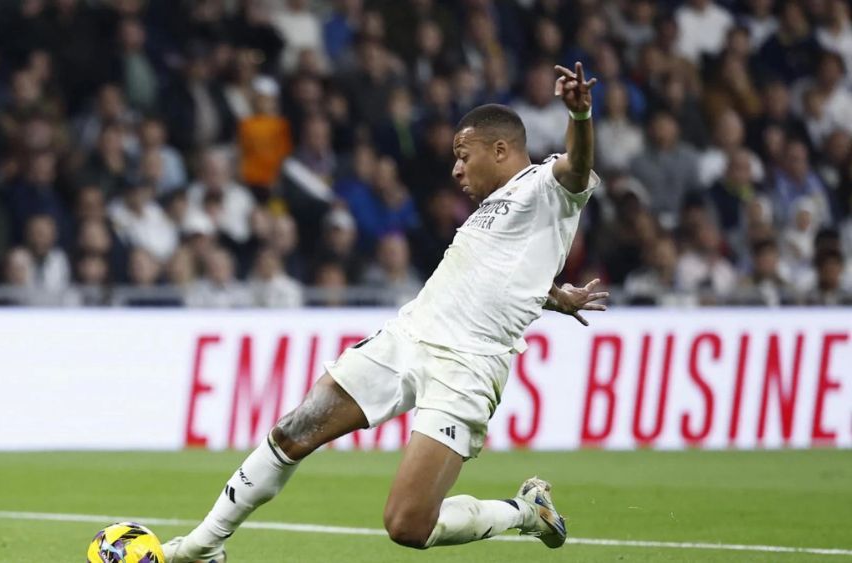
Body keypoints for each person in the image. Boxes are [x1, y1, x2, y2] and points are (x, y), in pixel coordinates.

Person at [161, 62, 608, 562]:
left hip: (467, 366)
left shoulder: (546, 185)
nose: (456, 168)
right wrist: (553, 294)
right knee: (295, 429)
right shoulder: (491, 207)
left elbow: (576, 162)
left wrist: (581, 114)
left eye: (464, 155)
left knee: (407, 525)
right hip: (408, 336)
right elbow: (502, 275)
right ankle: (201, 547)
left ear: (501, 149)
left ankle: (526, 511)